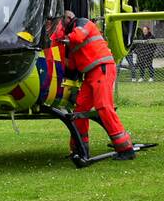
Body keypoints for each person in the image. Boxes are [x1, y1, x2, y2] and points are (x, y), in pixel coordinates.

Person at [50, 10, 135, 160]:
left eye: (61, 23)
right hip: (90, 74)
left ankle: (126, 148)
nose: (60, 26)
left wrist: (61, 39)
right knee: (80, 109)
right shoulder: (71, 38)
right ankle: (80, 149)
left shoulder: (83, 23)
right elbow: (72, 65)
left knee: (104, 106)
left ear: (68, 18)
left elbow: (77, 37)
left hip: (102, 69)